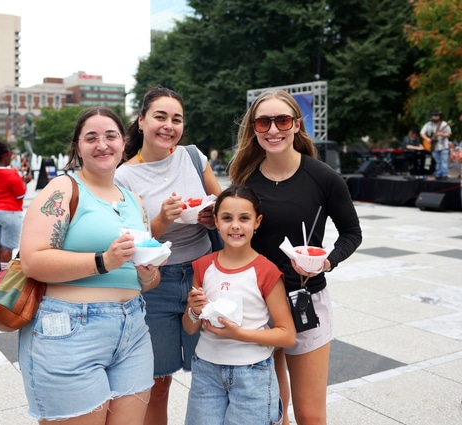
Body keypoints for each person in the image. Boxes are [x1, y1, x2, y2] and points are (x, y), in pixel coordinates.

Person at [229, 89, 362, 425]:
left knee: (309, 414)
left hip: (306, 300)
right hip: (257, 303)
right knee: (270, 411)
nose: (273, 129)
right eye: (264, 121)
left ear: (297, 125)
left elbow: (352, 233)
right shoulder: (244, 179)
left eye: (282, 120)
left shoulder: (323, 176)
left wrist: (327, 261)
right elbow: (237, 236)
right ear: (254, 129)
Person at [18, 107, 159, 424]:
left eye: (110, 136)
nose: (102, 144)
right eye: (91, 137)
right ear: (77, 147)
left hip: (133, 331)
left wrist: (147, 274)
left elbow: (146, 277)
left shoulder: (133, 200)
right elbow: (33, 260)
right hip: (70, 331)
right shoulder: (63, 189)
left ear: (124, 142)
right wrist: (103, 261)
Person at [115, 86, 222, 425]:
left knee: (212, 374)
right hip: (156, 284)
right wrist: (161, 219)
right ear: (141, 121)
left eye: (176, 119)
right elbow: (133, 243)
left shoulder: (193, 156)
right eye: (160, 117)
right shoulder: (124, 175)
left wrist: (211, 216)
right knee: (157, 382)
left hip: (204, 276)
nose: (168, 126)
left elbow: (227, 208)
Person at [182, 185, 295, 425]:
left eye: (244, 218)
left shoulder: (266, 271)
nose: (235, 225)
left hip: (252, 374)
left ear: (257, 222)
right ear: (216, 221)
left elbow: (287, 335)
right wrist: (194, 310)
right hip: (206, 372)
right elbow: (191, 328)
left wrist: (238, 333)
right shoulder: (202, 266)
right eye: (226, 218)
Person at [0, 140, 33, 274]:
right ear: (4, 155)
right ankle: (3, 276)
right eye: (10, 154)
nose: (11, 156)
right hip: (10, 212)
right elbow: (20, 195)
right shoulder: (12, 173)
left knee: (0, 246)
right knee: (7, 248)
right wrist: (25, 182)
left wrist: (21, 180)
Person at [420, 110, 452, 180]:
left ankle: (444, 175)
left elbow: (449, 134)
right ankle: (438, 174)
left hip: (443, 146)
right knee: (437, 161)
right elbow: (422, 133)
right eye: (434, 116)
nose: (435, 117)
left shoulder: (444, 124)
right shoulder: (428, 124)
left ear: (439, 117)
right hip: (434, 146)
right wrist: (427, 139)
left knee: (443, 161)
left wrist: (441, 134)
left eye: (436, 116)